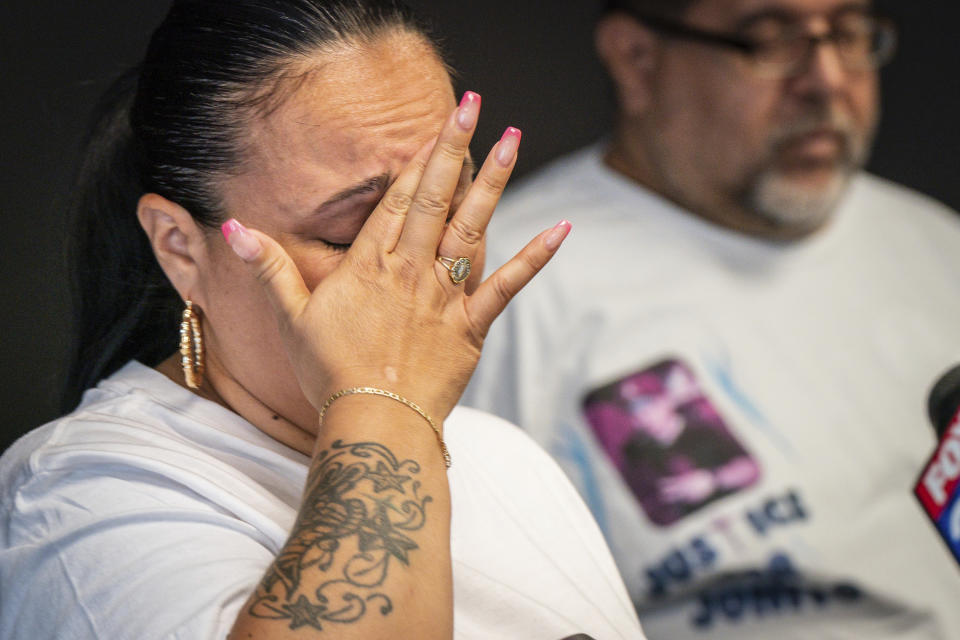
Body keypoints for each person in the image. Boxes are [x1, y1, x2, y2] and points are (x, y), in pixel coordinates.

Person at [0, 2, 645, 638]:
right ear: (178, 245)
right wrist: (388, 394)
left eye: (449, 203)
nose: (421, 267)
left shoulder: (506, 457)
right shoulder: (83, 499)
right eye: (349, 235)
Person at [465, 0, 960, 637]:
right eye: (770, 40)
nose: (827, 80)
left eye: (849, 34)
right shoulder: (508, 285)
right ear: (636, 58)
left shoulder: (936, 248)